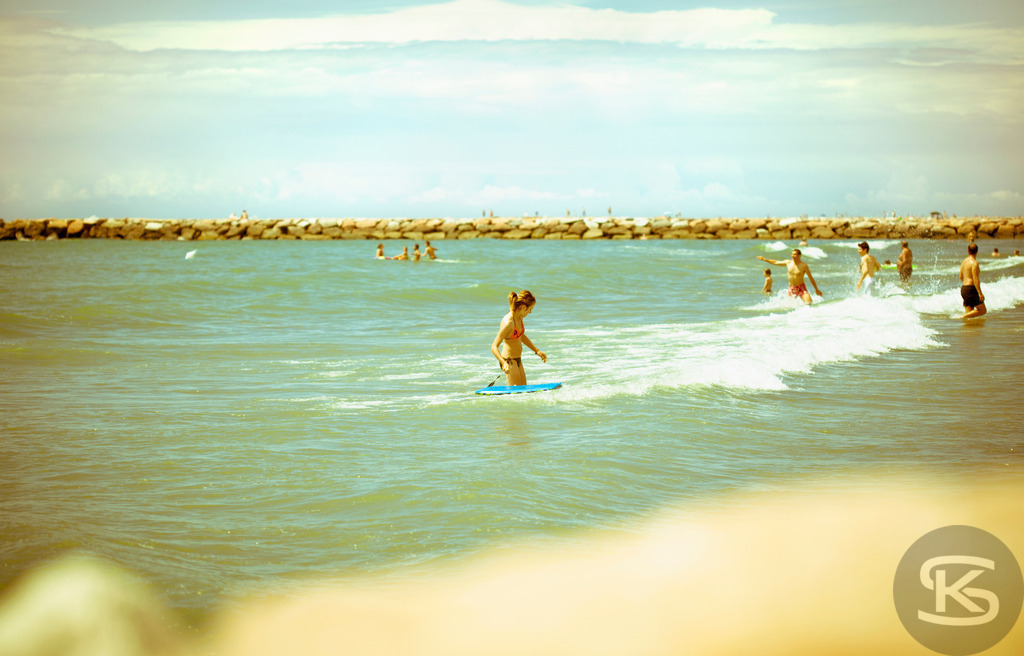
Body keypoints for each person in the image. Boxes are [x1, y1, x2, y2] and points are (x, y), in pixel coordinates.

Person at [490, 291, 547, 386]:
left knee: (523, 390)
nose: (530, 312)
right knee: (515, 392)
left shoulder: (519, 317)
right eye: (530, 309)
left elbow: (521, 336)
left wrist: (537, 351)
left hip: (518, 359)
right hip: (509, 361)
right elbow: (494, 346)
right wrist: (503, 363)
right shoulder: (509, 323)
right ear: (524, 307)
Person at [756, 250, 822, 305]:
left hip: (801, 288)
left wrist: (816, 289)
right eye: (792, 254)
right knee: (789, 307)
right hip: (791, 288)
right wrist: (765, 259)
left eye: (794, 254)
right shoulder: (788, 263)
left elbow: (811, 278)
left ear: (799, 255)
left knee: (809, 303)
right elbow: (776, 262)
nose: (792, 256)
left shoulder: (804, 266)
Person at [960, 243, 987, 319]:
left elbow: (960, 276)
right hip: (970, 289)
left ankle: (969, 330)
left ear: (968, 251)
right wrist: (979, 293)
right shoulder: (974, 263)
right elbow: (975, 278)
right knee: (983, 310)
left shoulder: (964, 262)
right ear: (977, 251)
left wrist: (966, 283)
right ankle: (961, 317)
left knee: (969, 315)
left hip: (964, 288)